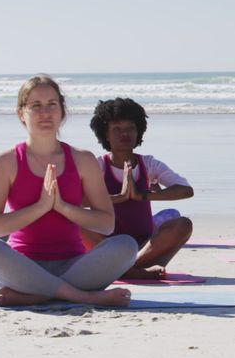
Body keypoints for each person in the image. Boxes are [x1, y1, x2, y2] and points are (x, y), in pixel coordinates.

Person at [0, 75, 137, 307]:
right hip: (22, 267)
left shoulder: (83, 159)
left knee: (126, 245)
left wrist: (62, 207)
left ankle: (36, 295)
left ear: (62, 111)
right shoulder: (5, 161)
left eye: (52, 105)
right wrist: (41, 207)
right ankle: (81, 296)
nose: (45, 113)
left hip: (74, 266)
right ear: (22, 113)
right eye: (36, 106)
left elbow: (106, 223)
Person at [83, 97, 194, 279]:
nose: (124, 134)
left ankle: (127, 268)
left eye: (130, 128)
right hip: (108, 244)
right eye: (117, 129)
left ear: (138, 131)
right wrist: (119, 197)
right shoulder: (97, 166)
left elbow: (186, 190)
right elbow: (74, 200)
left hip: (144, 246)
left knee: (183, 225)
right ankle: (130, 270)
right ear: (106, 134)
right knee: (74, 221)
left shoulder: (148, 164)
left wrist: (142, 195)